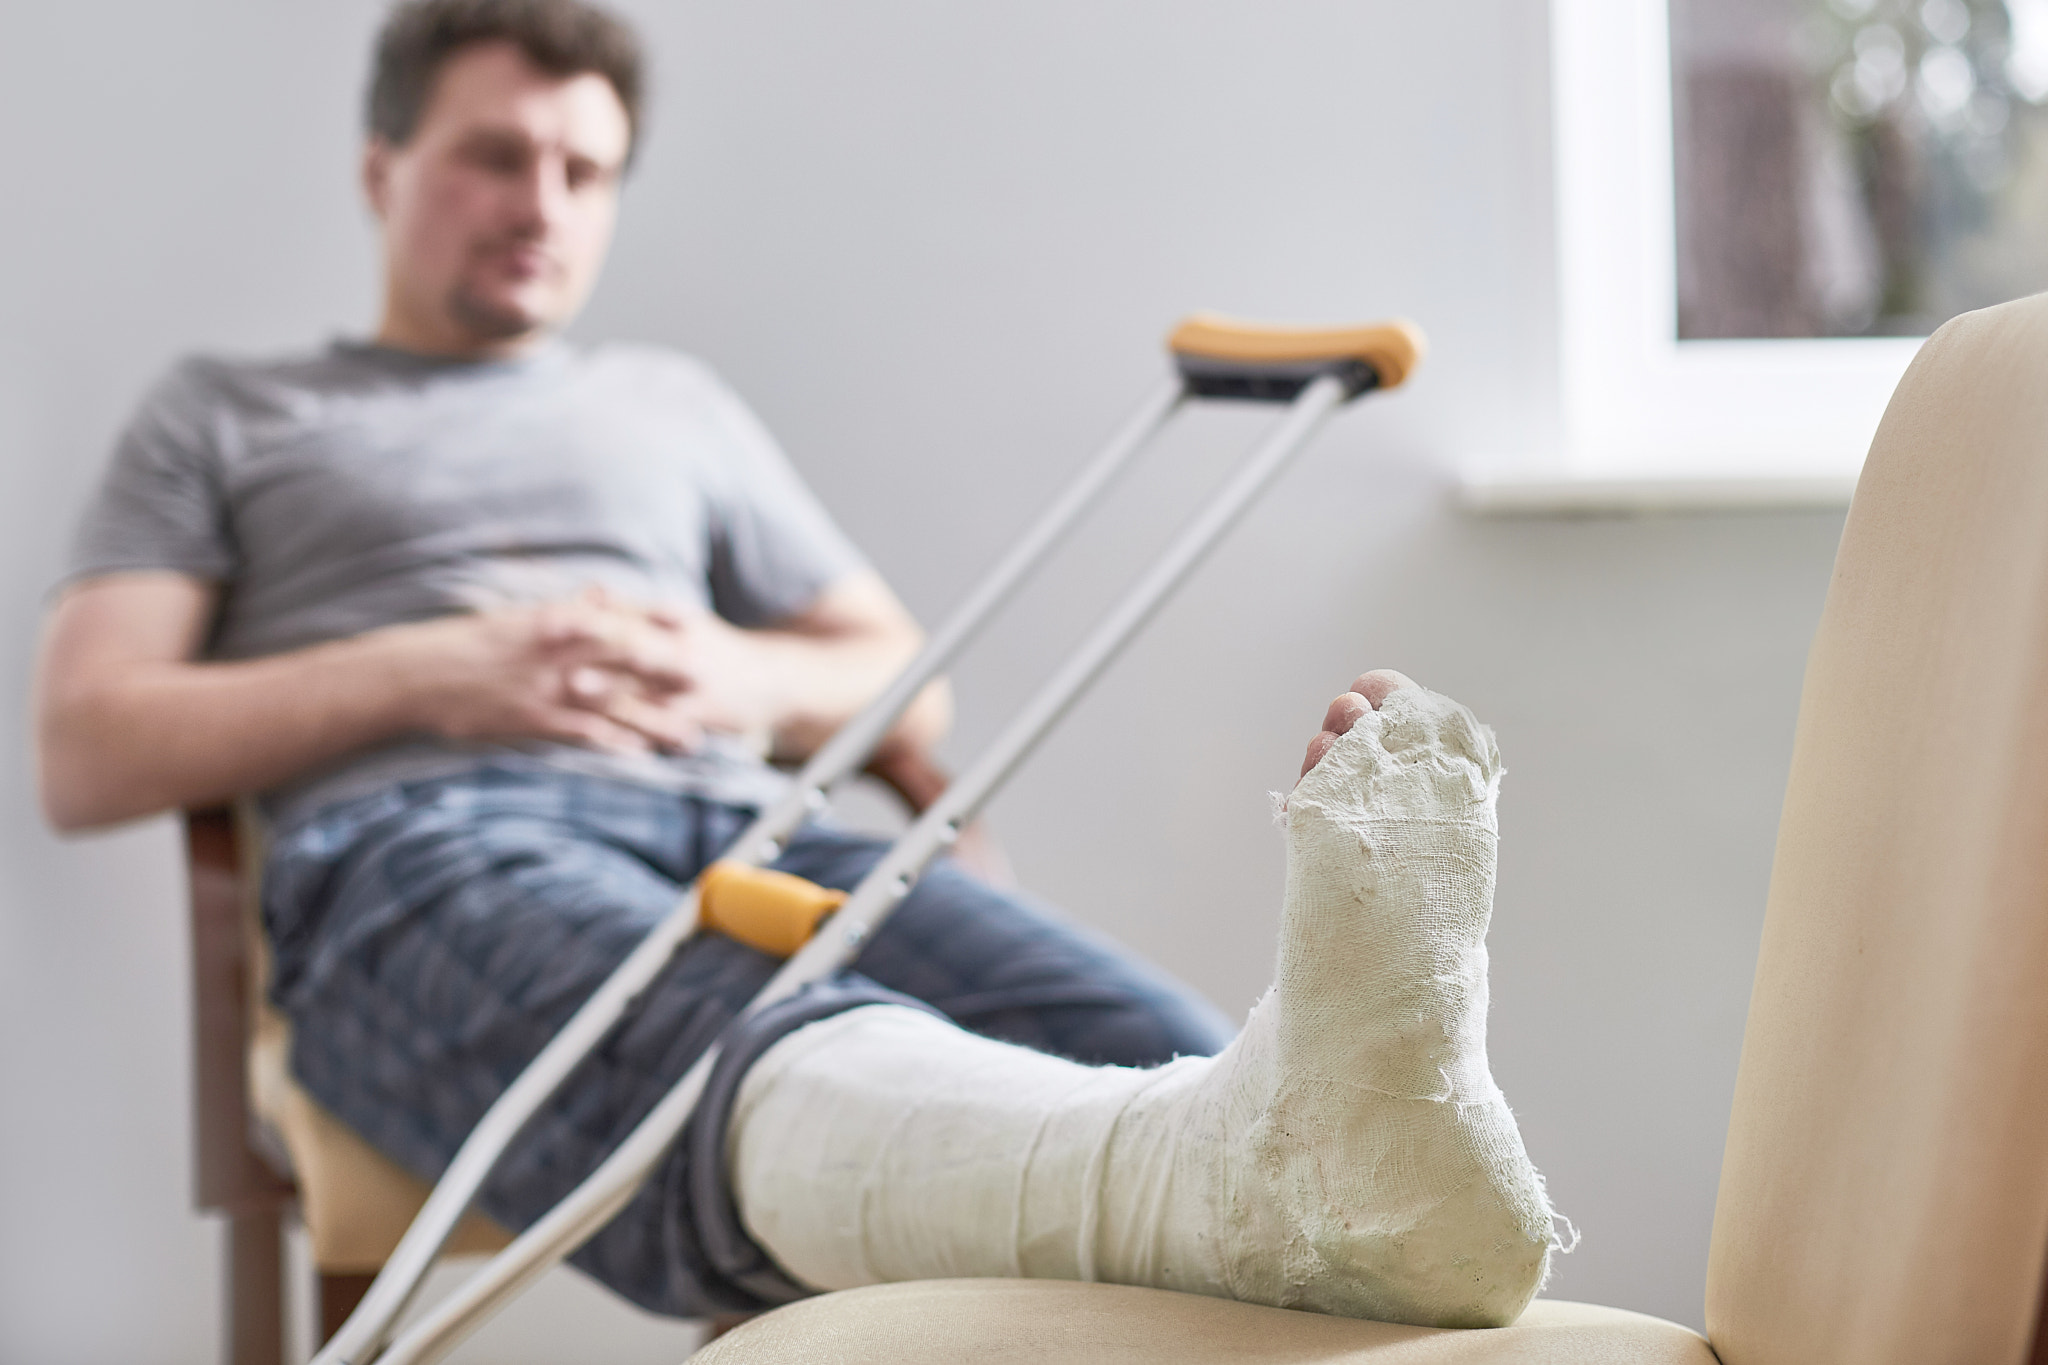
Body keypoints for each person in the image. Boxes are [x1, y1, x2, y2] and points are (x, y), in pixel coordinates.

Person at [34, 0, 1557, 1331]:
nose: (541, 203)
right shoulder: (230, 412)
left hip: (754, 823)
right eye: (495, 156)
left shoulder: (666, 405)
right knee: (741, 1050)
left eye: (584, 171)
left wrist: (731, 676)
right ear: (383, 171)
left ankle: (1339, 1157)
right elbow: (90, 737)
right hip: (428, 842)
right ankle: (1194, 1176)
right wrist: (446, 667)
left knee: (1161, 1049)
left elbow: (899, 674)